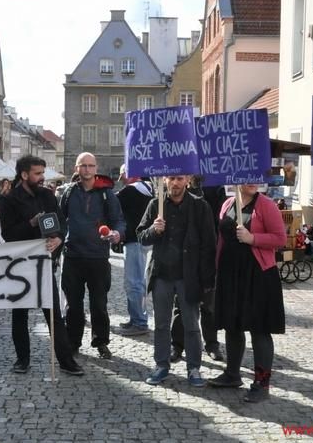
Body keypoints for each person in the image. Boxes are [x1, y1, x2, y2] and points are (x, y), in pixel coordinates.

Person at [0, 155, 83, 376]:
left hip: (44, 263)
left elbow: (61, 223)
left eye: (43, 173)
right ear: (24, 175)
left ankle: (66, 361)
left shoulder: (47, 195)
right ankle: (22, 359)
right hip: (19, 266)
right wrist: (31, 224)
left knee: (53, 313)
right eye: (37, 174)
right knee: (20, 315)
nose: (42, 178)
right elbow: (8, 234)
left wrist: (59, 238)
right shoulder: (8, 200)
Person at [208, 184, 286, 403]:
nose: (252, 181)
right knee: (232, 324)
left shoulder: (266, 206)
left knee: (259, 329)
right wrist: (215, 268)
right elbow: (222, 239)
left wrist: (253, 239)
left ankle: (262, 383)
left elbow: (280, 239)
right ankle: (232, 374)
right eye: (246, 176)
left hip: (258, 274)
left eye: (255, 176)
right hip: (230, 274)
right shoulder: (227, 204)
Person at [136, 175, 216, 386]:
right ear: (164, 180)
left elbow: (209, 244)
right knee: (161, 324)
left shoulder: (200, 206)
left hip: (188, 276)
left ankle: (194, 368)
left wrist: (207, 280)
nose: (175, 183)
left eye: (179, 178)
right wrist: (154, 229)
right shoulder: (156, 205)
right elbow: (141, 236)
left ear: (187, 180)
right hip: (162, 274)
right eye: (171, 178)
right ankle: (161, 365)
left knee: (191, 325)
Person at [60, 152, 125, 359]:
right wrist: (54, 238)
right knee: (73, 305)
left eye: (90, 166)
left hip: (98, 257)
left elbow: (119, 221)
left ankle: (101, 342)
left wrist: (117, 233)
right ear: (76, 169)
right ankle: (73, 342)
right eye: (83, 166)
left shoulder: (107, 194)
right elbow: (60, 221)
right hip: (73, 256)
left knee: (99, 304)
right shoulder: (68, 193)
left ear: (96, 169)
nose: (87, 169)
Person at [171, 176, 225, 362]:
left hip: (207, 247)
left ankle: (212, 344)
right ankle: (177, 345)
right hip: (185, 254)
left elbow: (220, 217)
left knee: (208, 304)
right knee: (181, 303)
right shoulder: (180, 186)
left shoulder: (214, 186)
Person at [115, 165, 153, 335]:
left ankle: (139, 321)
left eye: (123, 175)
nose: (122, 179)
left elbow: (111, 202)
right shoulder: (149, 188)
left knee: (133, 282)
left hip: (133, 240)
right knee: (138, 281)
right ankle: (135, 318)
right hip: (145, 239)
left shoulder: (129, 191)